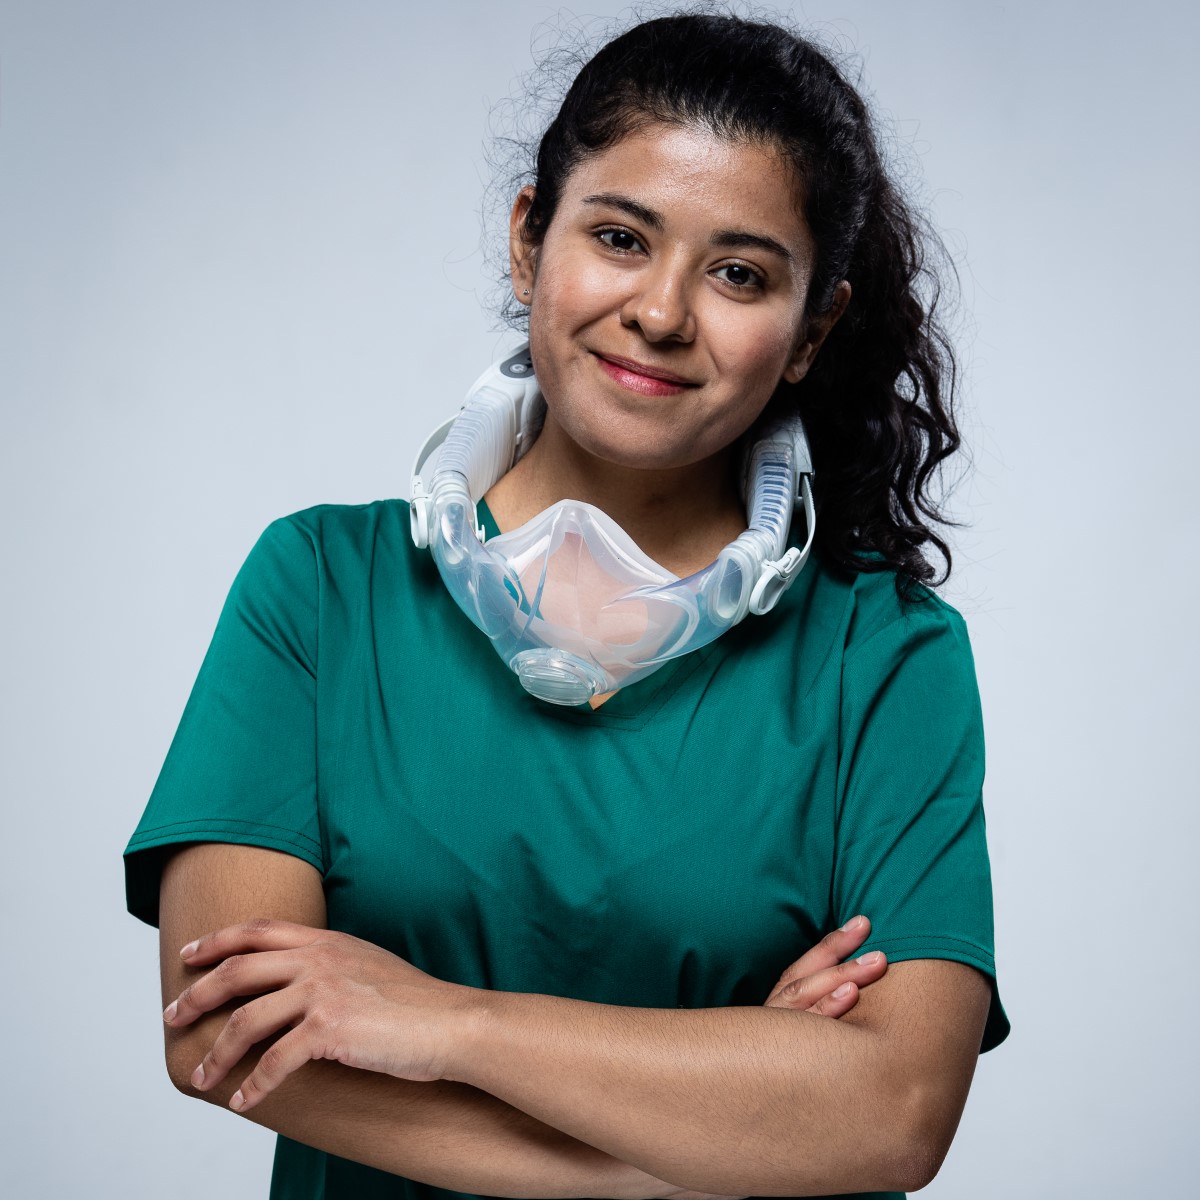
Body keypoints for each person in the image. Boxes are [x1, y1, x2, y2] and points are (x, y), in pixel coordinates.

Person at [124, 10, 1010, 1200]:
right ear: (528, 238)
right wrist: (699, 1153)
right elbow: (220, 1033)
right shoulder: (320, 590)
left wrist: (444, 1022)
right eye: (619, 236)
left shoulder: (885, 659)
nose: (661, 312)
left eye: (740, 273)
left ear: (813, 332)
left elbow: (896, 1113)